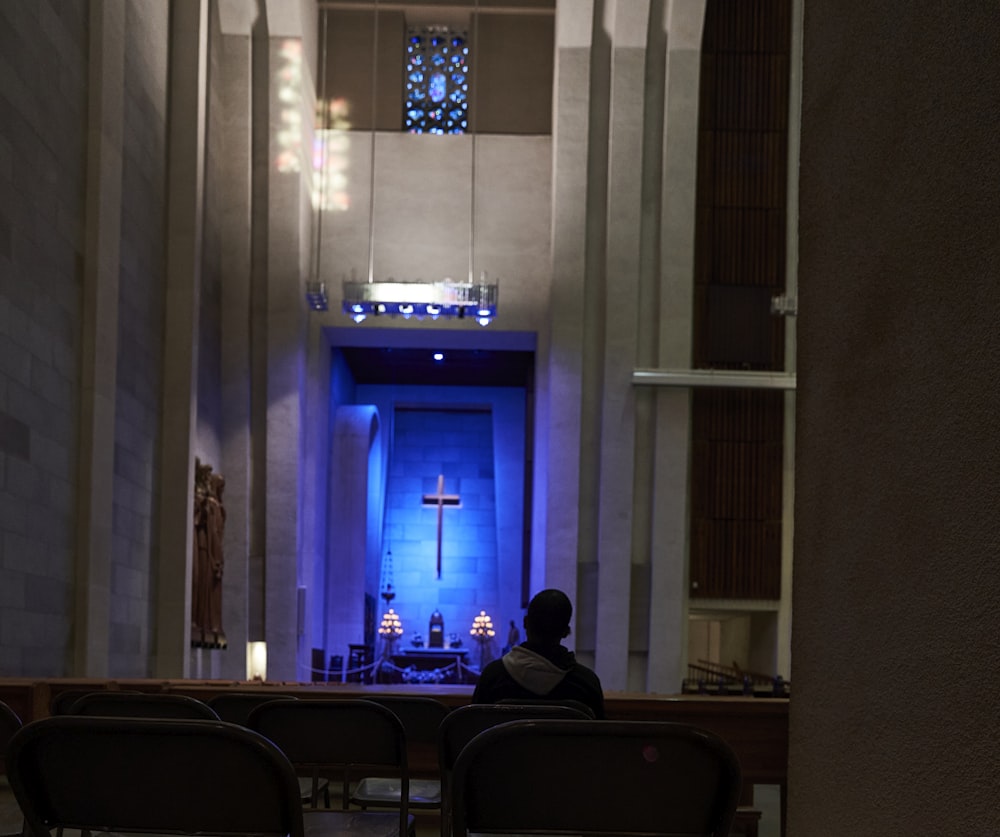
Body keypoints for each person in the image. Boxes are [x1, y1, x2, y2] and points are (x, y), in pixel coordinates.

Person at [472, 589, 605, 719]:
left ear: (525, 623)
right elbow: (598, 737)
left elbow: (473, 729)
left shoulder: (493, 677)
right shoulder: (586, 683)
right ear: (566, 631)